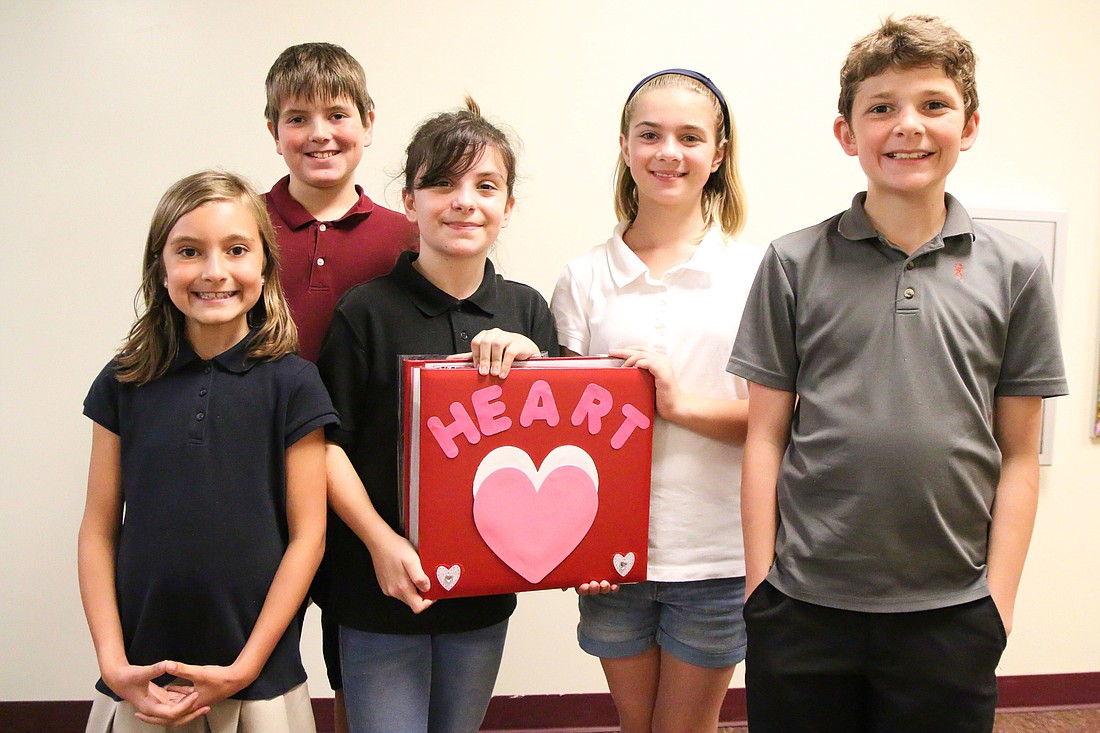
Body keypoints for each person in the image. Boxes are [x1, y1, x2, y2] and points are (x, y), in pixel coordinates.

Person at [727, 15, 1068, 733]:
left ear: (968, 124)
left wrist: (995, 604)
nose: (907, 125)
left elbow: (1019, 455)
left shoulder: (1017, 271)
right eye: (881, 107)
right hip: (803, 608)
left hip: (950, 614)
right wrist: (762, 590)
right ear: (846, 134)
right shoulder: (792, 263)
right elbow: (765, 438)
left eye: (932, 105)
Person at [316, 98, 558, 733]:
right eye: (442, 183)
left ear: (509, 206)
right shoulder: (363, 311)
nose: (464, 201)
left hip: (481, 594)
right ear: (408, 200)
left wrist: (538, 368)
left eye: (485, 186)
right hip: (377, 588)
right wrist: (382, 542)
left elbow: (561, 444)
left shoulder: (528, 312)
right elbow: (326, 446)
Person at [78, 171, 336, 733]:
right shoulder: (124, 383)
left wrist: (244, 668)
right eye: (190, 251)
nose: (214, 271)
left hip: (259, 678)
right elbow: (99, 528)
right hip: (141, 679)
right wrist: (114, 664)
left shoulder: (295, 385)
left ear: (264, 264)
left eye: (236, 250)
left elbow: (308, 537)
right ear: (161, 267)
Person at [551, 69, 763, 733]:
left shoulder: (757, 273)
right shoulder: (583, 279)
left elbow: (781, 423)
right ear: (625, 145)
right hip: (612, 557)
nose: (669, 151)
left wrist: (680, 403)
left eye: (690, 137)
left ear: (719, 154)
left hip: (716, 553)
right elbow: (561, 435)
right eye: (651, 134)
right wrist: (574, 544)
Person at [263, 42, 418, 732]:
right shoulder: (242, 225)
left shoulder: (408, 237)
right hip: (260, 480)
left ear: (369, 121)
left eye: (337, 113)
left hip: (363, 486)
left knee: (358, 658)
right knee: (260, 657)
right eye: (297, 118)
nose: (319, 133)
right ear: (273, 131)